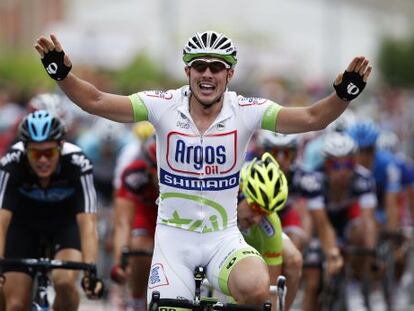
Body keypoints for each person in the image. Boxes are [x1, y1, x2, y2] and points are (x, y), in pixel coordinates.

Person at [35, 30, 371, 307]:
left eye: (216, 66)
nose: (207, 73)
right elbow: (95, 101)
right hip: (173, 240)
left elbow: (312, 118)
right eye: (199, 66)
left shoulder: (246, 110)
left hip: (222, 237)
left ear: (230, 73)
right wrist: (62, 74)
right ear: (188, 72)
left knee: (257, 289)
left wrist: (343, 95)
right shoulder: (163, 104)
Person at [0, 110, 103, 311]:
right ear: (25, 150)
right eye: (35, 153)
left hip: (64, 226)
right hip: (23, 227)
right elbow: (1, 220)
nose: (43, 160)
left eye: (49, 152)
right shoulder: (11, 162)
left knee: (64, 282)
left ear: (61, 147)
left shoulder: (78, 163)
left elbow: (88, 223)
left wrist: (91, 269)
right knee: (15, 304)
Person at [300, 132, 377, 311]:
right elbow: (320, 224)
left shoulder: (364, 179)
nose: (342, 171)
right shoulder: (314, 180)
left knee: (361, 236)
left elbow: (368, 221)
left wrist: (371, 252)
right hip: (319, 226)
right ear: (326, 165)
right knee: (313, 283)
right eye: (335, 164)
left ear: (355, 162)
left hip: (345, 223)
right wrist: (331, 253)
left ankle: (356, 282)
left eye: (348, 164)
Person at [237, 152, 295, 310]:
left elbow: (271, 291)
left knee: (295, 259)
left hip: (255, 243)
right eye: (255, 207)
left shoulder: (270, 225)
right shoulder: (221, 199)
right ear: (240, 192)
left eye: (265, 212)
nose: (256, 219)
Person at [110, 135, 158, 311]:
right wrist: (119, 262)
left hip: (175, 215)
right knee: (140, 246)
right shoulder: (133, 175)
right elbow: (123, 223)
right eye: (157, 170)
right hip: (145, 213)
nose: (162, 176)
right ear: (148, 167)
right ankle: (137, 300)